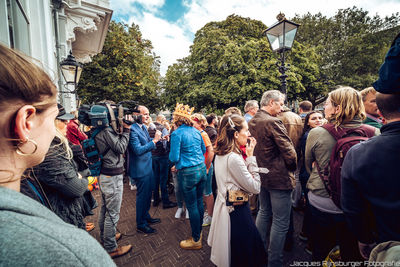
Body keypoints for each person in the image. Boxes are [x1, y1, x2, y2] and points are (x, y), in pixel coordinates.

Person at [0, 43, 114, 266]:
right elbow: (74, 185)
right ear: (25, 122)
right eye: (53, 119)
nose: (58, 130)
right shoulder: (68, 251)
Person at [305, 86, 378, 261]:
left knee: (321, 250)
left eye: (327, 104)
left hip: (323, 200)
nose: (324, 107)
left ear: (337, 108)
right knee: (352, 253)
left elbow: (308, 165)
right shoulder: (374, 132)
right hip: (357, 205)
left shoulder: (317, 133)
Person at [208, 114, 266, 267]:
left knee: (237, 252)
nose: (248, 135)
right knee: (246, 254)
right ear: (235, 134)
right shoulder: (233, 157)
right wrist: (252, 158)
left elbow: (235, 178)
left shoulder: (222, 152)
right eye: (246, 130)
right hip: (237, 211)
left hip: (228, 207)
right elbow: (255, 187)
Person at [248, 90, 297, 267]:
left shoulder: (253, 120)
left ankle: (258, 253)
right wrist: (292, 168)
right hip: (278, 177)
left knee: (264, 212)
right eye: (281, 103)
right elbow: (289, 151)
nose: (282, 107)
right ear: (271, 103)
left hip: (262, 175)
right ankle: (274, 261)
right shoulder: (273, 121)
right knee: (280, 221)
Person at [94, 102, 132, 258]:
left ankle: (106, 237)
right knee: (112, 213)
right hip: (112, 176)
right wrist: (128, 131)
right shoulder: (107, 131)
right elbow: (121, 148)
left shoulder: (97, 130)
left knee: (105, 209)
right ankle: (111, 247)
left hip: (105, 174)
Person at [169, 103, 207, 250]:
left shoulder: (177, 133)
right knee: (198, 202)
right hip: (201, 169)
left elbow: (173, 156)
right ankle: (199, 233)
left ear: (177, 120)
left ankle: (196, 239)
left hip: (188, 172)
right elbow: (203, 149)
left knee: (192, 206)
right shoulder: (197, 131)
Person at [128, 105, 162, 234]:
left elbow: (148, 143)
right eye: (145, 114)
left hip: (148, 166)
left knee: (148, 194)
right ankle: (141, 224)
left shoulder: (142, 127)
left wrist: (158, 140)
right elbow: (137, 150)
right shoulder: (132, 129)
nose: (148, 116)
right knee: (142, 197)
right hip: (140, 169)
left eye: (148, 114)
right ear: (136, 115)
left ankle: (146, 216)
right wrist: (154, 141)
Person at [298, 111, 324, 253]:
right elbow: (310, 159)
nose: (318, 120)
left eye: (320, 118)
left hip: (309, 173)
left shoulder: (318, 133)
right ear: (307, 122)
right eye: (314, 118)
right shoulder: (310, 135)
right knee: (312, 208)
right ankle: (310, 241)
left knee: (310, 207)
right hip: (309, 173)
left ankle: (305, 233)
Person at [148, 114, 177, 209]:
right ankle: (165, 201)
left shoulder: (149, 128)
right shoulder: (162, 128)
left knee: (155, 178)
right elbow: (165, 143)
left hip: (153, 155)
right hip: (162, 156)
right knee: (163, 180)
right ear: (163, 120)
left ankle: (156, 200)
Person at [192, 113, 215, 227]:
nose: (191, 124)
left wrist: (206, 167)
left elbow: (210, 152)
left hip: (206, 167)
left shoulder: (203, 134)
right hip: (201, 166)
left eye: (194, 121)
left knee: (208, 191)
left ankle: (210, 215)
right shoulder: (196, 133)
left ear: (200, 122)